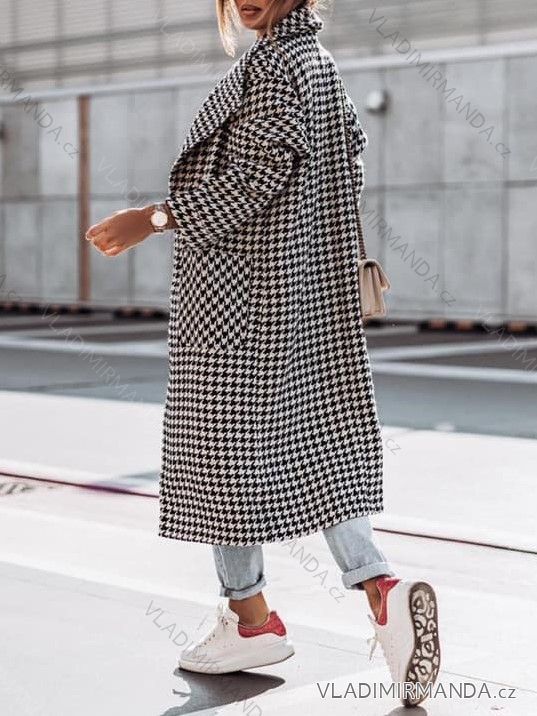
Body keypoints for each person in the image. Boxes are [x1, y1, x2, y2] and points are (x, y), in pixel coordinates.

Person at [85, 0, 441, 706]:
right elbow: (338, 175)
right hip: (301, 295)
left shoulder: (276, 65)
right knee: (314, 448)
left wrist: (152, 217)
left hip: (244, 299)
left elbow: (254, 179)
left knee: (224, 453)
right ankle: (377, 589)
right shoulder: (318, 64)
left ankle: (251, 617)